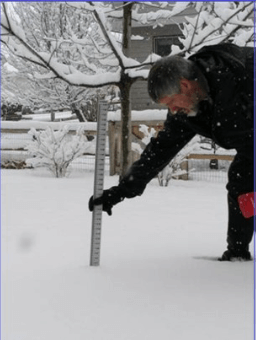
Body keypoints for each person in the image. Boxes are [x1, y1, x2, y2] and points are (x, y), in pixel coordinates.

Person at [89, 43, 254, 261]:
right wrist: (122, 190)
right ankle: (237, 255)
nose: (173, 110)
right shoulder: (189, 110)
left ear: (185, 85)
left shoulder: (244, 78)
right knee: (241, 181)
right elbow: (160, 149)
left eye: (171, 103)